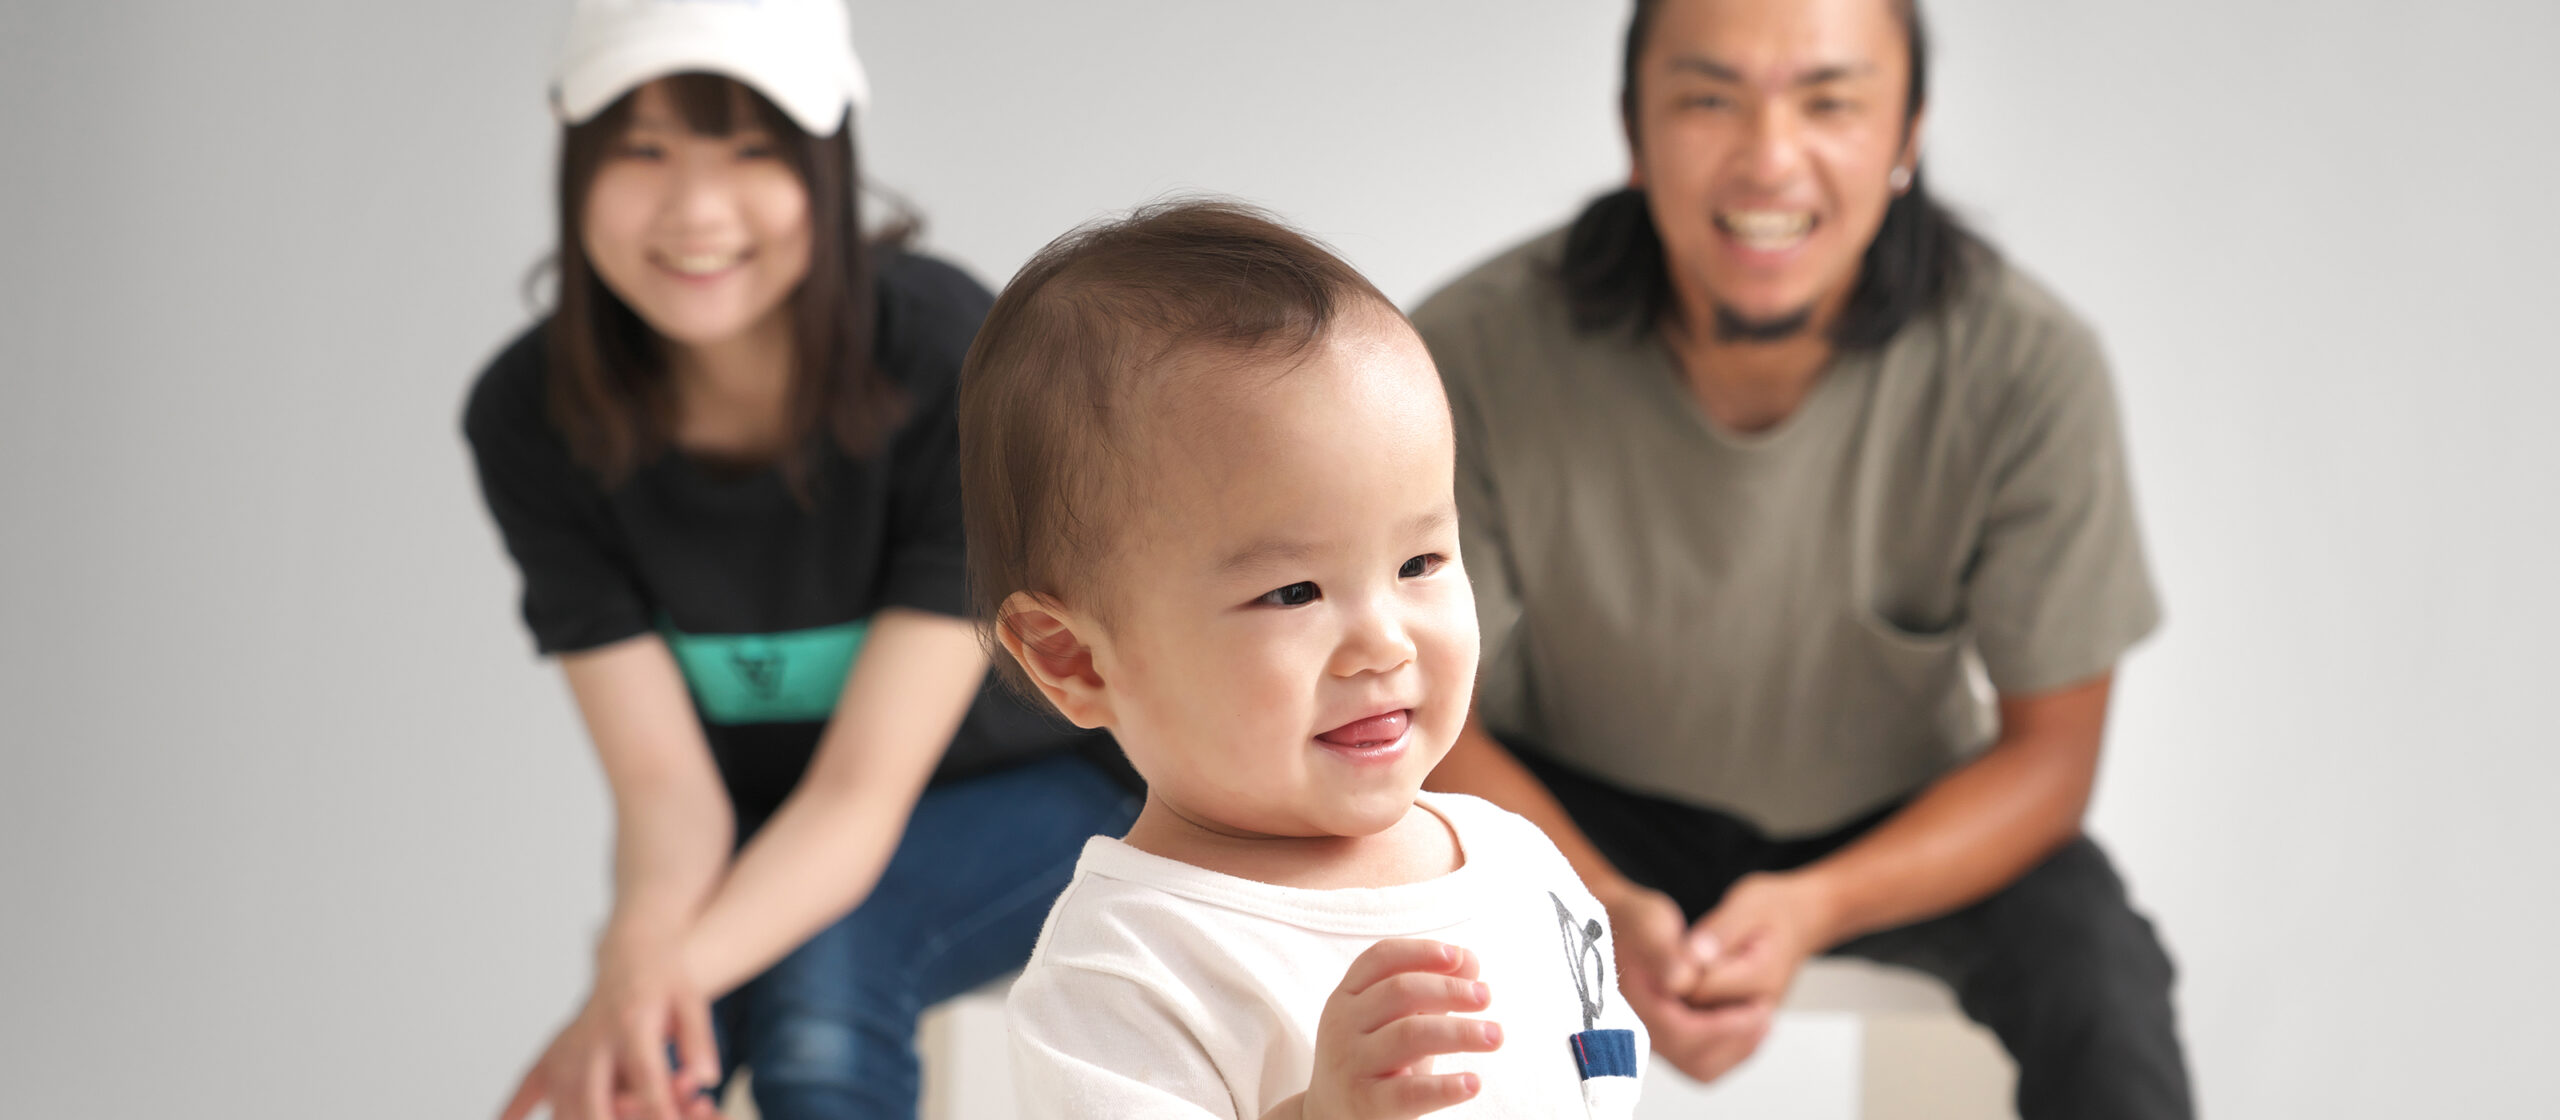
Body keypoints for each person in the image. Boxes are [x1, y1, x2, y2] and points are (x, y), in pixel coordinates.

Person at [1409, 0, 2192, 1117]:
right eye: (1708, 99)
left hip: (1898, 816)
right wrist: (1589, 899)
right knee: (1344, 920)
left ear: (1907, 134)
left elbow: (2050, 761)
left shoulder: (2027, 366)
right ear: (1633, 129)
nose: (1770, 159)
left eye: (1829, 101)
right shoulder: (1469, 351)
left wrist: (1815, 903)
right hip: (1574, 808)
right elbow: (1422, 717)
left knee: (2101, 982)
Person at [462, 3, 1137, 1118]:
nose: (696, 211)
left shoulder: (943, 360)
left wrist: (650, 981)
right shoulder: (531, 416)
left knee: (822, 988)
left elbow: (863, 794)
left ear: (829, 161)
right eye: (642, 148)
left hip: (1039, 788)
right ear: (568, 147)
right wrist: (633, 978)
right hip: (772, 825)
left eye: (751, 150)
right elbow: (665, 791)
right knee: (642, 1066)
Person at [964, 201, 1650, 1120]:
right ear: (1076, 659)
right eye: (1293, 593)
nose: (1383, 641)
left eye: (1420, 563)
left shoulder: (1520, 865)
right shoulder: (1129, 966)